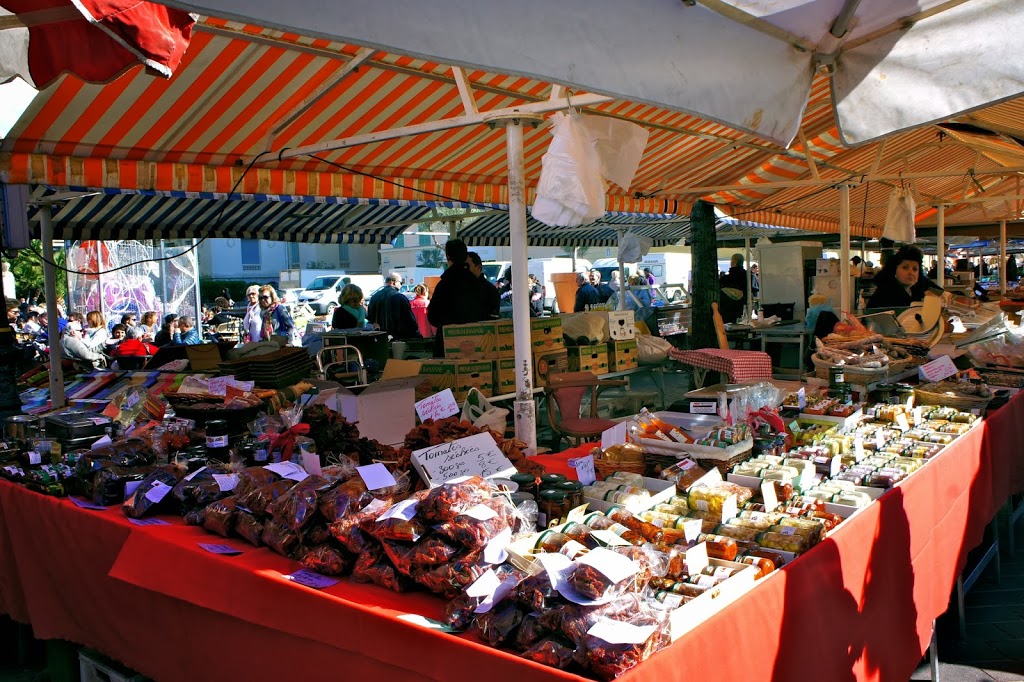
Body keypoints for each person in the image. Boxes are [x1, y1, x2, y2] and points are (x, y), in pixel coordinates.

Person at [427, 238, 490, 357]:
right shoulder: (478, 284)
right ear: (466, 256)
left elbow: (433, 317)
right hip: (477, 345)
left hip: (448, 346)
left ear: (448, 257)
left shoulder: (444, 285)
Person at [866, 244, 943, 310]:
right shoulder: (884, 295)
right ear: (894, 270)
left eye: (915, 269)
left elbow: (943, 295)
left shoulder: (917, 290)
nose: (911, 272)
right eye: (905, 268)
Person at [367, 272, 421, 338]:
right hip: (397, 337)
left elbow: (370, 318)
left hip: (379, 337)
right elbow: (410, 320)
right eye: (401, 283)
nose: (401, 285)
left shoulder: (374, 297)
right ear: (394, 282)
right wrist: (416, 334)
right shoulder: (400, 297)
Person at [468, 252, 501, 318]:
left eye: (467, 266)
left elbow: (493, 317)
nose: (464, 270)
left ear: (478, 267)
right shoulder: (461, 289)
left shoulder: (490, 290)